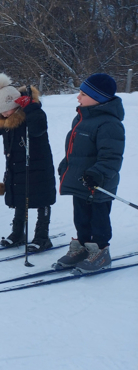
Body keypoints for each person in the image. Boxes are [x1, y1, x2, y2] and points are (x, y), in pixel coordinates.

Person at [55, 73, 125, 273]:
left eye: (83, 94)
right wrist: (65, 165)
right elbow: (75, 150)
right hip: (81, 182)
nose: (78, 97)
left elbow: (112, 157)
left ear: (99, 98)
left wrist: (97, 174)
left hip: (99, 183)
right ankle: (84, 247)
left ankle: (101, 251)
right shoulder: (82, 118)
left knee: (98, 220)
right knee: (81, 218)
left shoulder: (109, 124)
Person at [0, 73, 56, 252]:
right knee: (19, 197)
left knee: (41, 199)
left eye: (5, 110)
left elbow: (38, 128)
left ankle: (42, 236)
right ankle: (18, 233)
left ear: (16, 104)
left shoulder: (32, 113)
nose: (3, 114)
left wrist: (32, 109)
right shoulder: (6, 118)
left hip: (38, 165)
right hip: (16, 165)